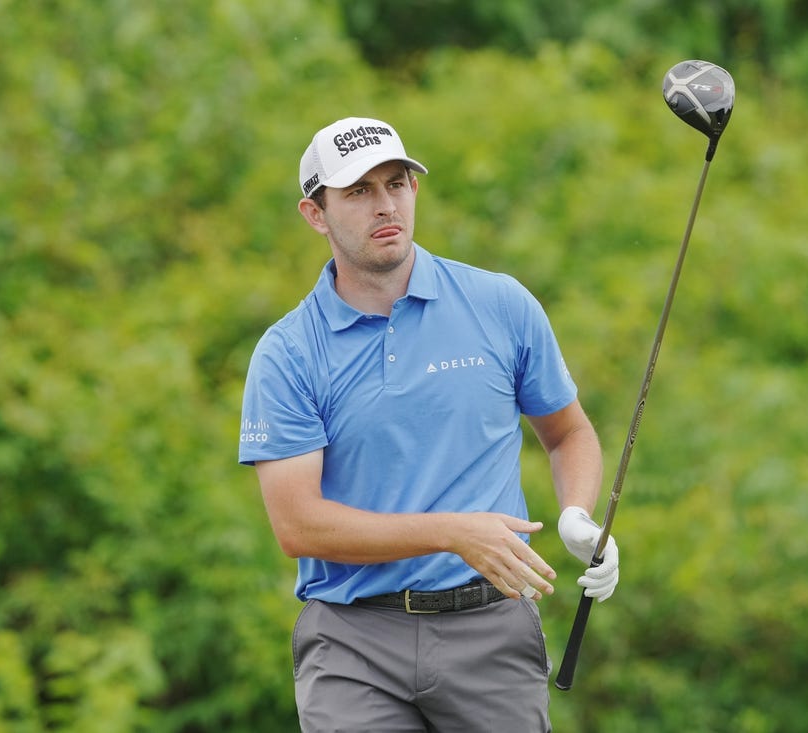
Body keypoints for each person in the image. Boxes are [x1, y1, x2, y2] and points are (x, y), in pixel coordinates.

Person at [239, 116, 620, 732]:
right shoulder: (288, 353)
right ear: (316, 214)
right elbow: (296, 524)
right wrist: (451, 532)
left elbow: (568, 433)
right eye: (359, 192)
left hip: (490, 630)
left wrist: (577, 512)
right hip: (353, 641)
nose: (385, 205)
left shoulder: (500, 304)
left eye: (398, 183)